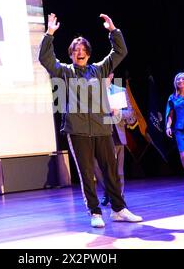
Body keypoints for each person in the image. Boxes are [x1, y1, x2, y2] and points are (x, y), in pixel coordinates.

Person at [39, 13, 142, 228]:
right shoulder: (65, 72)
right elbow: (45, 59)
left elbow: (120, 51)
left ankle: (118, 209)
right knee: (87, 173)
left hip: (102, 128)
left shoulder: (99, 69)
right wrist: (49, 34)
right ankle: (95, 212)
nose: (80, 53)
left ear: (88, 53)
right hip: (77, 130)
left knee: (111, 171)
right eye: (76, 51)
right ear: (71, 54)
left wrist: (113, 31)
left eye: (83, 50)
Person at [94, 72, 137, 206]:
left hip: (117, 135)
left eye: (106, 74)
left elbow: (131, 113)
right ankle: (108, 191)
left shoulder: (120, 91)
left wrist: (118, 113)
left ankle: (119, 197)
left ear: (111, 76)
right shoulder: (94, 92)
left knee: (118, 170)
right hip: (100, 134)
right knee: (98, 167)